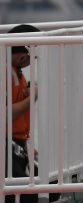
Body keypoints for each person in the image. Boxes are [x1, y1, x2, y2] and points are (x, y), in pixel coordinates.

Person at [5, 24, 41, 203]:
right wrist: (32, 98)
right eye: (33, 58)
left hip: (15, 145)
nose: (32, 62)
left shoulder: (15, 72)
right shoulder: (5, 72)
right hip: (6, 149)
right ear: (21, 57)